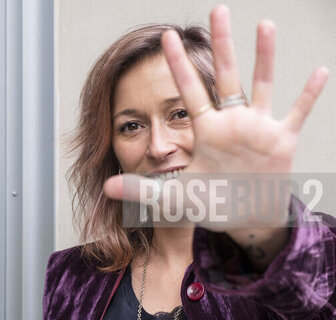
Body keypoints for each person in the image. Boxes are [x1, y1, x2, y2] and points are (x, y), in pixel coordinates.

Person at [43, 5, 336, 320]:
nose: (158, 146)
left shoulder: (317, 249)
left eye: (180, 114)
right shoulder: (70, 277)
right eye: (131, 126)